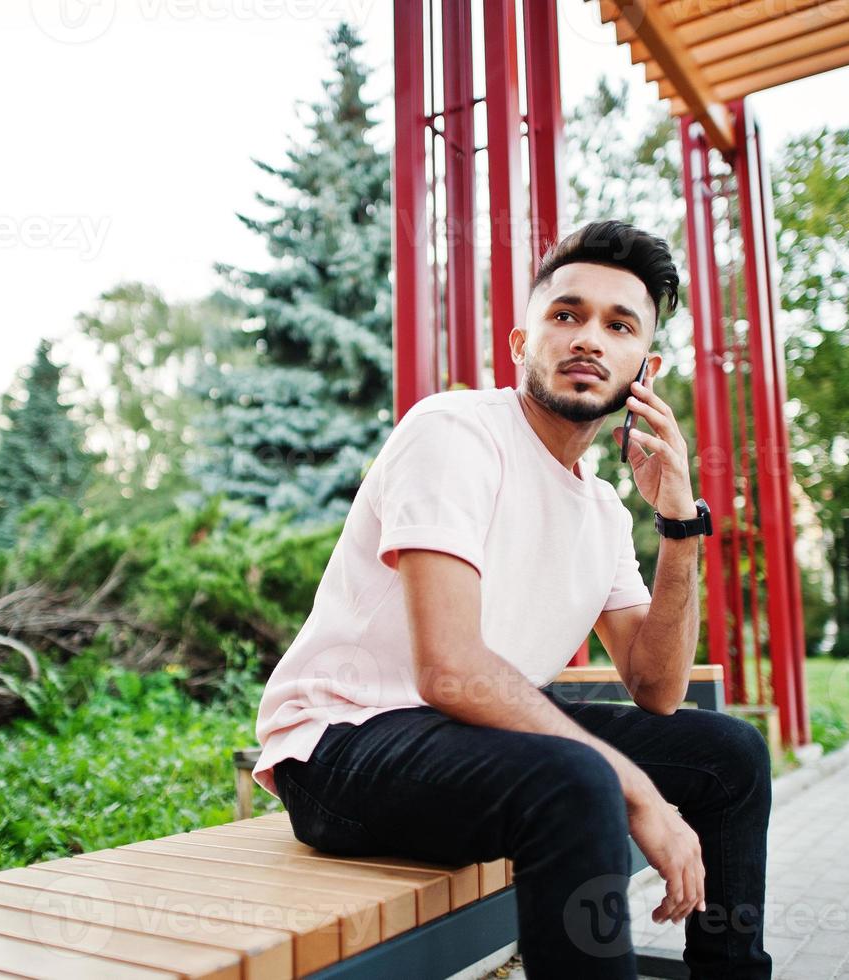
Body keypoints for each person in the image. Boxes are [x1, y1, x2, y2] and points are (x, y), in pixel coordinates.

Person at [252, 220, 774, 979]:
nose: (588, 338)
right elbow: (449, 669)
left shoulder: (598, 507)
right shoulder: (454, 431)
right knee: (579, 777)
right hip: (341, 746)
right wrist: (637, 791)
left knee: (729, 754)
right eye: (565, 315)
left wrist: (676, 522)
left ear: (645, 369)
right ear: (520, 342)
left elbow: (658, 689)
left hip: (473, 741)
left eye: (617, 324)